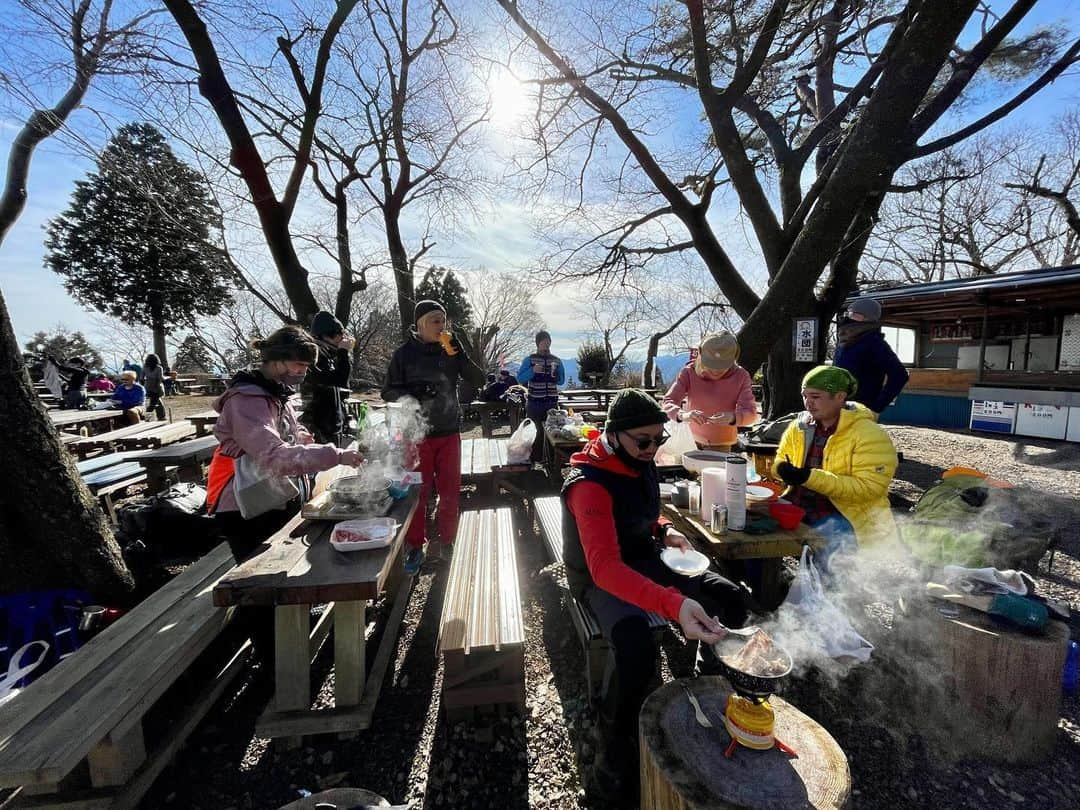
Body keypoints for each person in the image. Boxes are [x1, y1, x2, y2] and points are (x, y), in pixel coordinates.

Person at [562, 389, 750, 803]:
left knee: (732, 598)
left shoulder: (638, 460)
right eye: (642, 440)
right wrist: (675, 604)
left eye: (658, 439)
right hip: (599, 579)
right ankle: (612, 761)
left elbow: (645, 509)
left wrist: (664, 529)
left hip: (647, 558)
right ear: (613, 435)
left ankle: (708, 681)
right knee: (636, 649)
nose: (652, 448)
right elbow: (606, 569)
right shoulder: (589, 485)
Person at [206, 325, 363, 662]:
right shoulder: (247, 400)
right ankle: (277, 668)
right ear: (276, 361)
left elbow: (288, 433)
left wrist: (303, 438)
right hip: (245, 505)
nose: (303, 373)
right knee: (260, 588)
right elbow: (273, 456)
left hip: (273, 496)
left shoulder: (272, 392)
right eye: (299, 366)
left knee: (284, 576)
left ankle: (296, 648)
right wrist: (334, 455)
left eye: (306, 368)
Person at [382, 300, 485, 573]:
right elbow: (388, 391)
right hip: (416, 437)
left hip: (449, 432)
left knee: (450, 491)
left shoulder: (450, 351)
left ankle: (447, 542)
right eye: (435, 320)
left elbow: (479, 379)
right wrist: (414, 396)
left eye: (443, 320)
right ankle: (415, 546)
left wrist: (461, 354)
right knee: (417, 493)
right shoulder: (403, 355)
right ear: (420, 325)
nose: (441, 326)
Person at [774, 365, 899, 573]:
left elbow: (869, 488)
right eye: (805, 396)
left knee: (832, 545)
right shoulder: (800, 426)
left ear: (840, 397)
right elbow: (780, 458)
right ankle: (764, 593)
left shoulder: (868, 433)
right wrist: (781, 469)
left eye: (815, 396)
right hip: (797, 504)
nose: (808, 403)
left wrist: (808, 477)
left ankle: (829, 601)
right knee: (751, 528)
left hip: (845, 513)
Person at [662, 332, 758, 452]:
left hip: (721, 444)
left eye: (722, 366)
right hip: (689, 441)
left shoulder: (741, 376)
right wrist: (683, 415)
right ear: (701, 356)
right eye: (710, 364)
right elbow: (668, 402)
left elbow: (751, 413)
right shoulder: (689, 372)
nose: (716, 370)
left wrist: (733, 417)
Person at [833, 297, 909, 416]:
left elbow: (900, 375)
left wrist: (877, 406)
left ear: (867, 318)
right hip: (837, 405)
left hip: (861, 409)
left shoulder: (874, 343)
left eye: (853, 314)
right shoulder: (844, 341)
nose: (847, 317)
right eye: (847, 313)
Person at [301, 310, 355, 445]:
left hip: (331, 426)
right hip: (317, 429)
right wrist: (343, 353)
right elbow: (339, 380)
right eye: (340, 335)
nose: (343, 339)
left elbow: (343, 387)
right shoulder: (315, 357)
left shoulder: (328, 356)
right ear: (328, 335)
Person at [517, 330, 565, 461]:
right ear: (538, 344)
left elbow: (561, 381)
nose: (546, 345)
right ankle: (533, 459)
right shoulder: (530, 359)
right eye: (543, 343)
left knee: (552, 431)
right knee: (534, 431)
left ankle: (549, 460)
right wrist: (532, 370)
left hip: (551, 402)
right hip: (534, 402)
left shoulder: (556, 360)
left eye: (548, 343)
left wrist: (557, 373)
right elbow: (520, 379)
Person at [143, 354, 167, 420]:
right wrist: (167, 378)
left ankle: (161, 416)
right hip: (156, 386)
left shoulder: (145, 367)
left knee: (156, 402)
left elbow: (141, 378)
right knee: (154, 403)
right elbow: (160, 378)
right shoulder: (159, 368)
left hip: (147, 386)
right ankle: (148, 417)